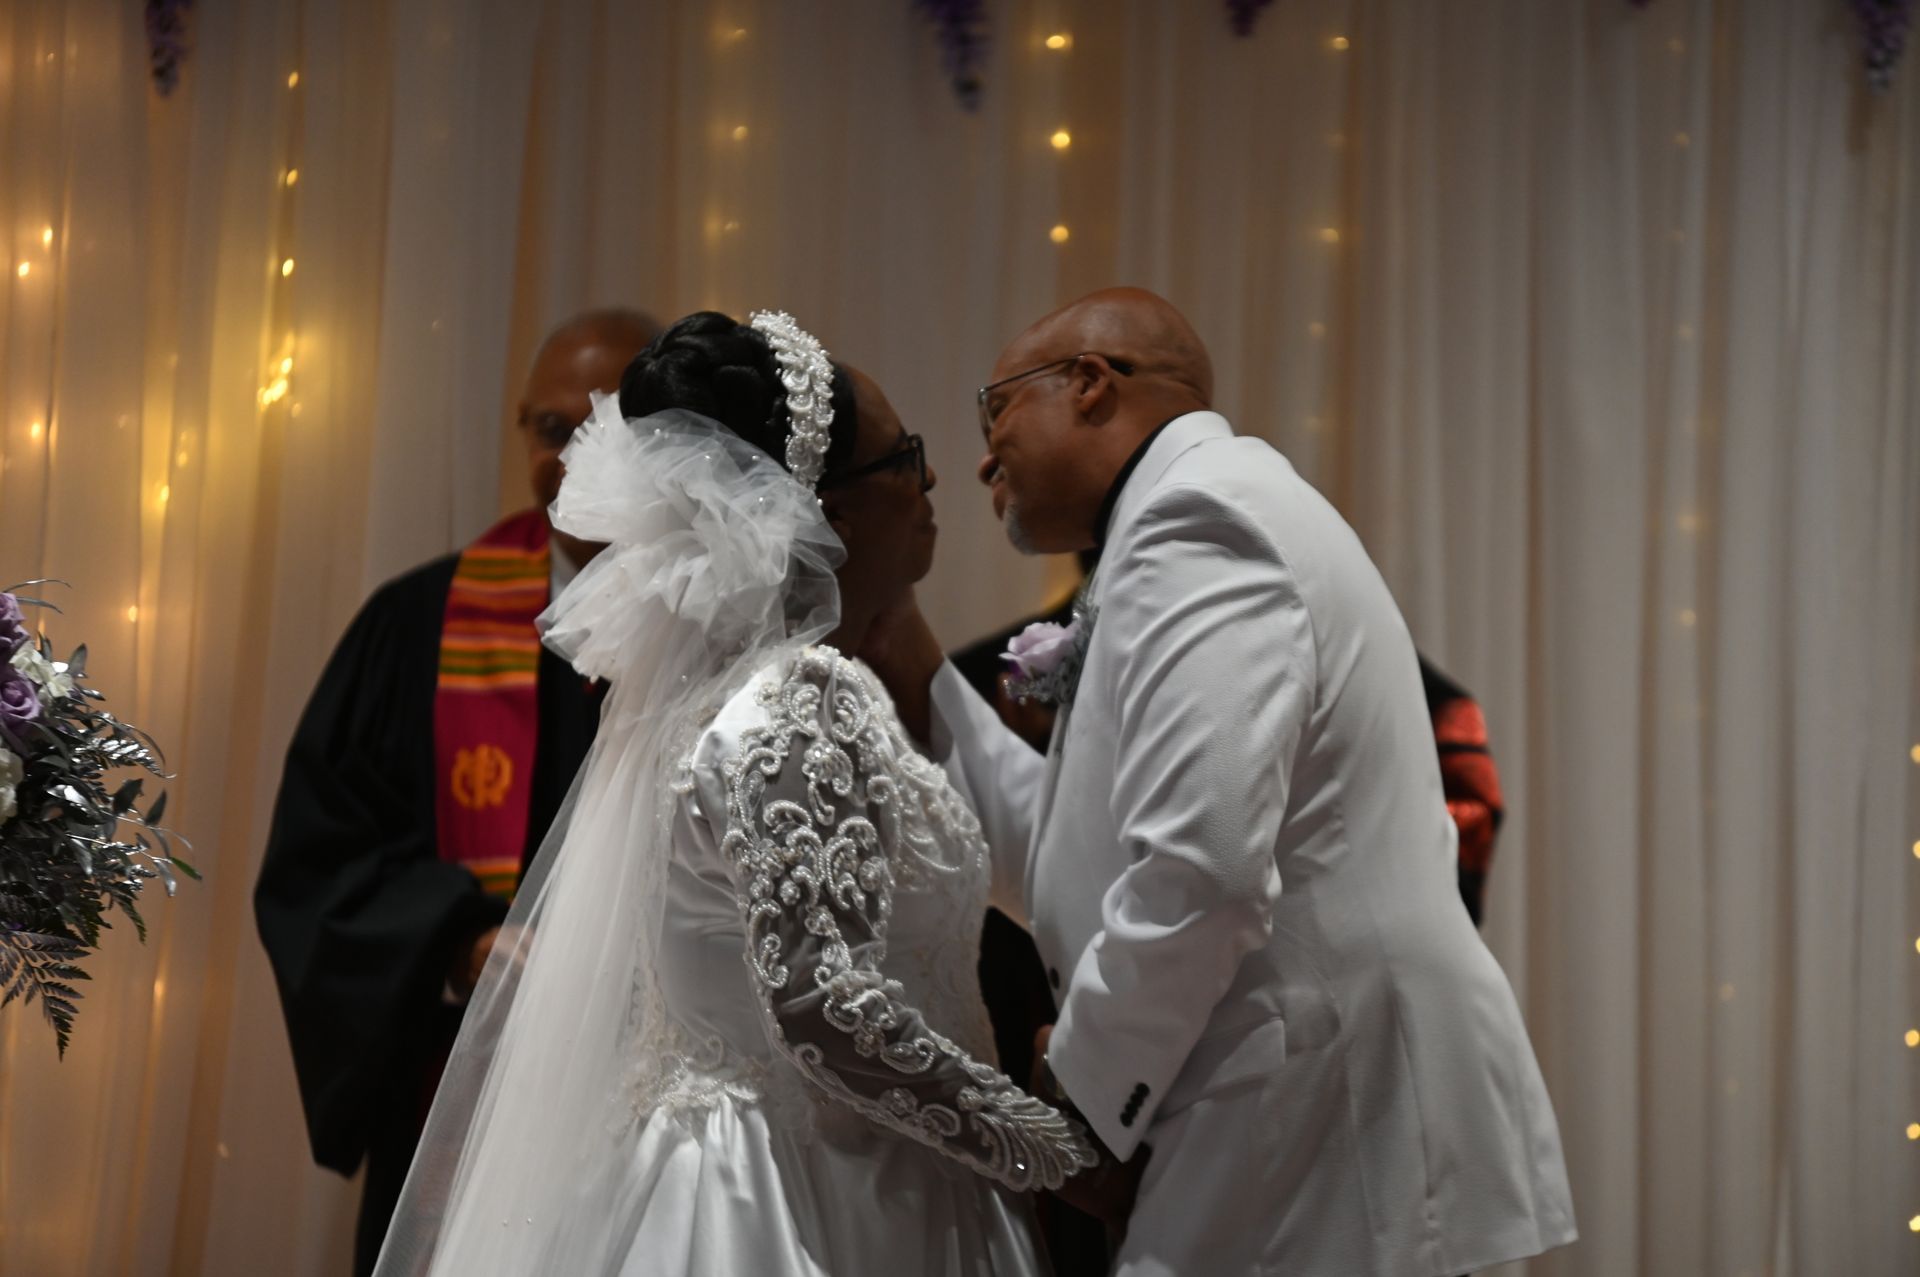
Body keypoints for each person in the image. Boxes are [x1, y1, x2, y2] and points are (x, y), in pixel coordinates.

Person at [861, 287, 1577, 1275]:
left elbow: (1206, 871)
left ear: (1089, 383)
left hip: (1318, 1118)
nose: (984, 459)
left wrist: (1082, 1096)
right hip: (1288, 1111)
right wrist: (916, 667)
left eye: (997, 411)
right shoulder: (1182, 518)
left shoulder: (1200, 521)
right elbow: (1077, 852)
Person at [373, 310, 1101, 1276]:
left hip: (732, 1175)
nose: (931, 484)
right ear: (834, 513)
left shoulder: (708, 700)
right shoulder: (804, 698)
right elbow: (821, 1001)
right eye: (907, 459)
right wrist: (1044, 1148)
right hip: (827, 1194)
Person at [255, 308, 659, 1275]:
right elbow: (322, 858)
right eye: (552, 429)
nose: (573, 456)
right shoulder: (419, 625)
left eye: (609, 426)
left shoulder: (722, 629)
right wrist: (458, 942)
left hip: (653, 1096)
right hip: (462, 1085)